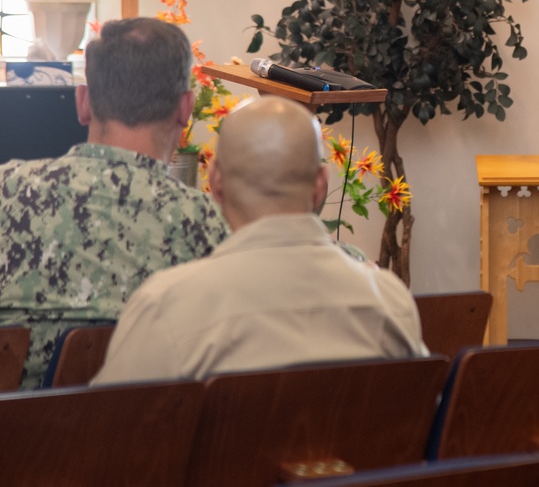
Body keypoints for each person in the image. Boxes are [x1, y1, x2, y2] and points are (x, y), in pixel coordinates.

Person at [91, 96, 427, 385]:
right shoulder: (388, 302)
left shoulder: (165, 308)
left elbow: (107, 442)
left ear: (216, 180)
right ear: (321, 184)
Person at [0, 18, 229, 388]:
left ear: (83, 102)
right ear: (186, 108)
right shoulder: (209, 226)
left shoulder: (6, 191)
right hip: (139, 440)